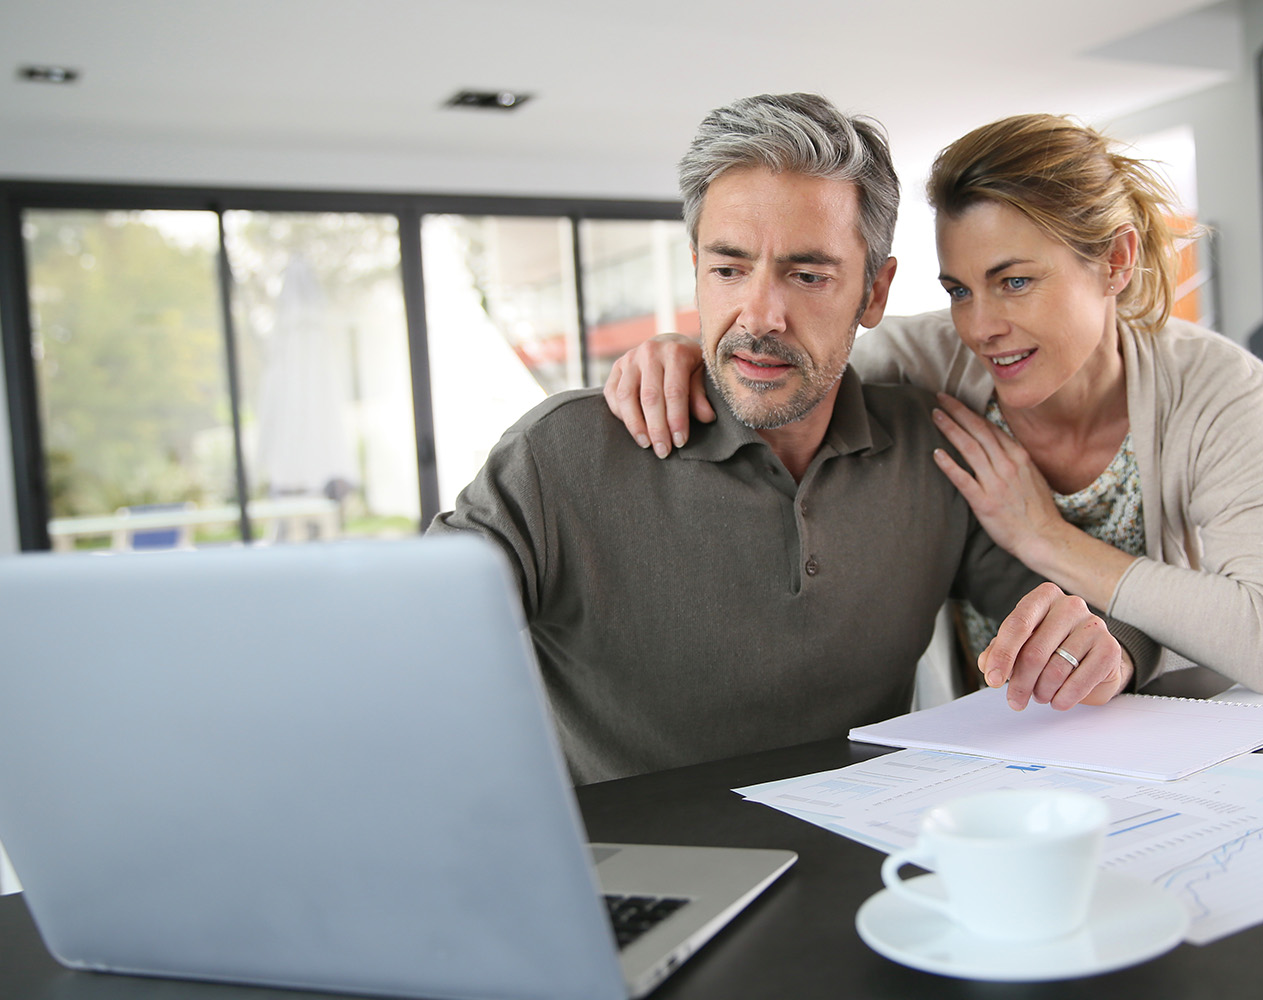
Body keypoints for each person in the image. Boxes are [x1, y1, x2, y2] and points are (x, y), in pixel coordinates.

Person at [430, 94, 1153, 784]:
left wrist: (1101, 648)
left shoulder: (931, 451)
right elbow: (396, 643)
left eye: (807, 274)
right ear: (697, 272)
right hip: (628, 885)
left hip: (863, 867)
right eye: (728, 268)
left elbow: (1088, 621)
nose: (760, 314)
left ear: (875, 293)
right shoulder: (563, 456)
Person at [604, 113, 1263, 694]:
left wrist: (1046, 539)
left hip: (1175, 731)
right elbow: (791, 354)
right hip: (996, 738)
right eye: (959, 290)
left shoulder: (1218, 390)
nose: (980, 328)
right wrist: (684, 349)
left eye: (1014, 282)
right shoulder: (929, 364)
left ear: (1117, 261)